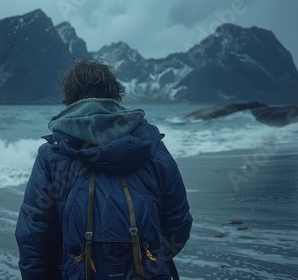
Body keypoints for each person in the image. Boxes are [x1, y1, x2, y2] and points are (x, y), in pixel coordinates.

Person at [15, 58, 192, 279]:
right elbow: (179, 222)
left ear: (69, 100)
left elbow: (34, 235)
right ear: (116, 95)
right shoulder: (153, 148)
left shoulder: (52, 155)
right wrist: (152, 258)